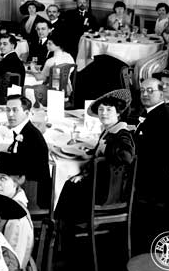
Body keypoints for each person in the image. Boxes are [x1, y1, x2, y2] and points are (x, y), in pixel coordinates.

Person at [55, 90, 135, 225]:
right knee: (70, 183)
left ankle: (63, 227)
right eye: (101, 109)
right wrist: (91, 152)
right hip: (101, 182)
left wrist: (105, 148)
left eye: (109, 110)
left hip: (108, 191)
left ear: (118, 113)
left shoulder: (122, 133)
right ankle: (61, 226)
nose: (103, 113)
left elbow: (126, 156)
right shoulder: (108, 130)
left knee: (69, 187)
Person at [132, 78, 169, 248]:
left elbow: (145, 153)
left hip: (149, 181)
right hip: (155, 175)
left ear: (161, 93)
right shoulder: (154, 113)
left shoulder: (161, 118)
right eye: (142, 90)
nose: (144, 94)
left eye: (150, 91)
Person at [2, 95, 52, 208]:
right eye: (8, 110)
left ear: (26, 113)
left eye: (15, 110)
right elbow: (18, 159)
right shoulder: (23, 129)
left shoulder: (31, 136)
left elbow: (22, 166)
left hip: (33, 194)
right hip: (27, 183)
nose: (10, 114)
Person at [27, 35, 75, 106]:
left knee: (27, 88)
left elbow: (39, 78)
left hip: (53, 91)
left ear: (58, 45)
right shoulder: (69, 57)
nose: (47, 45)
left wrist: (32, 69)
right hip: (68, 89)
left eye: (50, 44)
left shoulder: (51, 61)